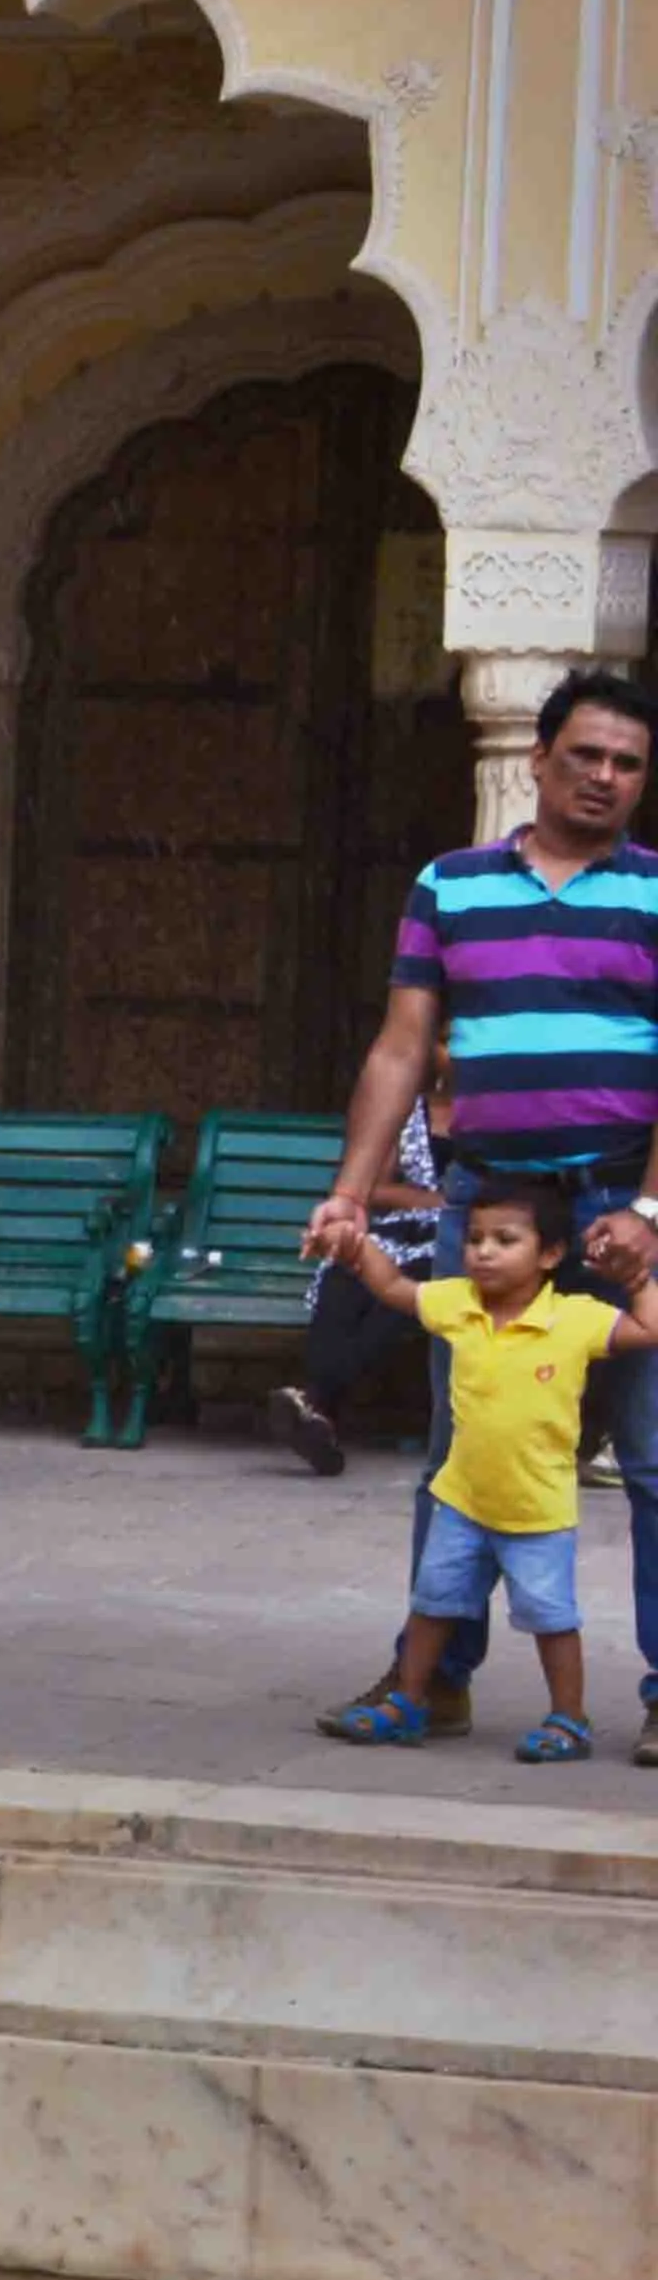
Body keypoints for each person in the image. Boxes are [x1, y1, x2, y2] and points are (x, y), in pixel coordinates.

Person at [316, 668, 658, 1747]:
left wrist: (654, 1206)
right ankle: (435, 1678)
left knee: (653, 1457)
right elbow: (403, 1046)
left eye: (629, 763)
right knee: (458, 1450)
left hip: (623, 1203)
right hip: (488, 1210)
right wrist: (349, 1193)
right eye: (588, 755)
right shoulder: (449, 886)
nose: (605, 777)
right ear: (540, 757)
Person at [316, 1176, 658, 1758]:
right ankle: (409, 1701)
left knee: (551, 1619)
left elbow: (649, 1329)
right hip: (461, 1500)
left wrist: (638, 1280)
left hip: (538, 1511)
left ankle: (568, 1719)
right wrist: (356, 1249)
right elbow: (396, 1287)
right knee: (433, 1605)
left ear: (551, 1254)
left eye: (505, 1239)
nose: (484, 1251)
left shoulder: (574, 1317)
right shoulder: (457, 1303)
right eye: (475, 1238)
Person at [275, 1054, 450, 1476]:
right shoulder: (408, 1111)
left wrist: (448, 1208)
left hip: (455, 1244)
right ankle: (320, 1419)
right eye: (444, 1040)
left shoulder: (500, 1119)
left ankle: (314, 1403)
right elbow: (375, 1188)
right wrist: (428, 1200)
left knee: (399, 1300)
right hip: (394, 1234)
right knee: (342, 1276)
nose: (455, 1051)